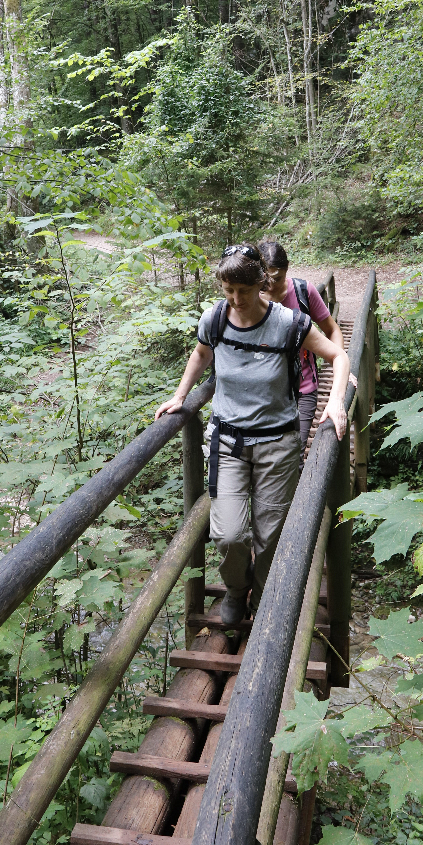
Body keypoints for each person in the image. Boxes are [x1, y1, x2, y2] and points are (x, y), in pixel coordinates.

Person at [155, 243, 350, 625]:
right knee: (228, 533)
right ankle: (235, 588)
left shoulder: (288, 322)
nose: (235, 299)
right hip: (228, 441)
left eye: (243, 290)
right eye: (228, 290)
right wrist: (180, 396)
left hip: (277, 443)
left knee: (270, 533)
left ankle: (262, 597)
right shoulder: (215, 319)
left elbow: (338, 355)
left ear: (261, 283)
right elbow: (201, 354)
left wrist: (336, 401)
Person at [258, 240, 345, 450]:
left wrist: (341, 367)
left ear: (287, 269)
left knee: (295, 452)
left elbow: (332, 329)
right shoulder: (250, 298)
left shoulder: (303, 291)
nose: (271, 285)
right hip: (265, 391)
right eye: (265, 279)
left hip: (303, 388)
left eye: (277, 278)